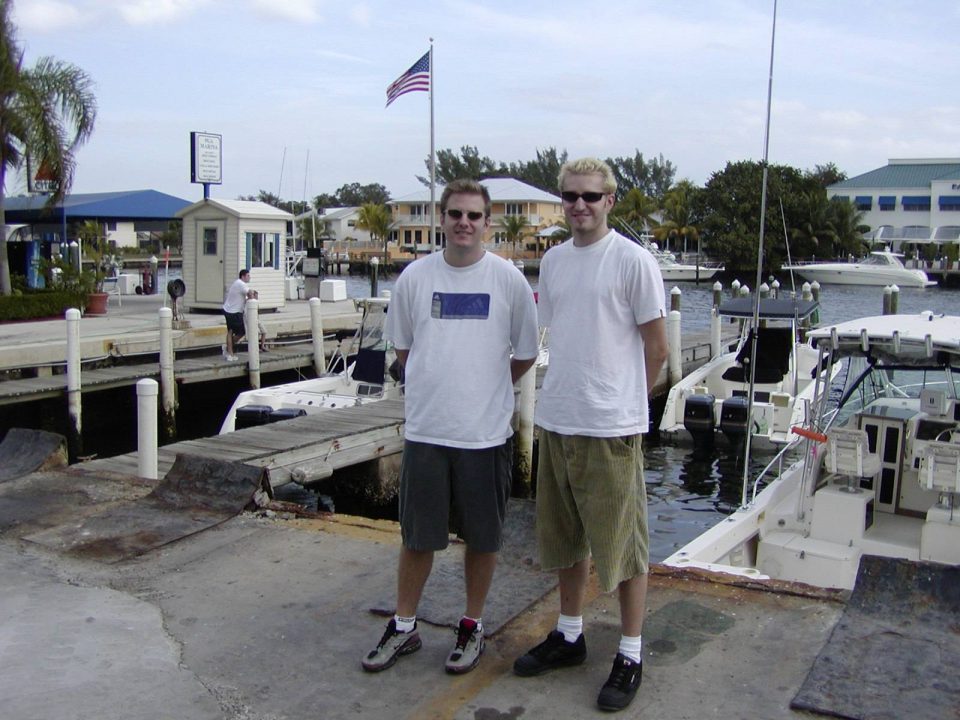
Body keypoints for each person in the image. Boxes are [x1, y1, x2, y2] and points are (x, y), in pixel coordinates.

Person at [361, 179, 539, 675]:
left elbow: (524, 354)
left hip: (485, 437)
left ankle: (471, 625)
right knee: (417, 537)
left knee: (483, 538)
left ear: (487, 223)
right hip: (425, 433)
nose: (464, 222)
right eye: (455, 213)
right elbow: (404, 350)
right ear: (441, 219)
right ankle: (403, 625)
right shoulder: (415, 279)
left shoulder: (508, 281)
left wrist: (483, 387)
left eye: (474, 215)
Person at [513, 158, 668, 712]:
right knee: (564, 540)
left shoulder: (633, 261)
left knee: (623, 549)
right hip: (556, 420)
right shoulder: (553, 262)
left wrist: (628, 406)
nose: (580, 206)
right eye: (570, 197)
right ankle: (570, 634)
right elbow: (551, 334)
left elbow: (658, 348)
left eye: (591, 197)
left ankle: (630, 652)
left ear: (610, 202)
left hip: (610, 428)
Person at [222, 269, 257, 361]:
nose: (250, 277)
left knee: (234, 331)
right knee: (238, 332)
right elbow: (250, 293)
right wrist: (254, 298)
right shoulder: (241, 284)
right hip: (233, 311)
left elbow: (243, 298)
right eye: (248, 275)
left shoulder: (238, 284)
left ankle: (228, 349)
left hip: (230, 310)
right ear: (243, 276)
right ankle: (229, 351)